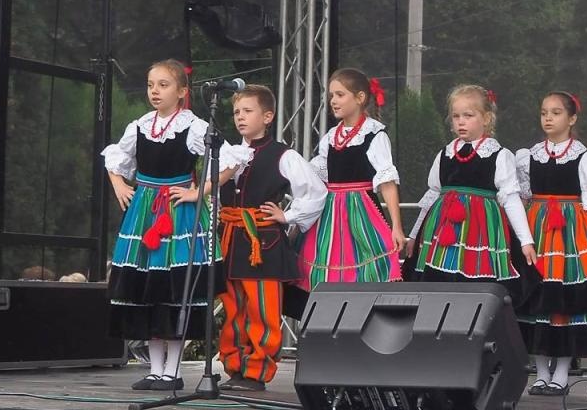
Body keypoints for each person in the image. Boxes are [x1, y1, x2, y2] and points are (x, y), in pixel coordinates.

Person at [102, 58, 214, 391]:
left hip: (177, 212)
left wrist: (197, 192)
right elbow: (114, 158)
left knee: (173, 289)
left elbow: (227, 161)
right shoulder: (139, 126)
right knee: (146, 287)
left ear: (181, 91)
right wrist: (119, 184)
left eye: (163, 85)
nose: (155, 91)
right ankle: (155, 369)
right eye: (151, 85)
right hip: (144, 212)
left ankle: (173, 371)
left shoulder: (193, 126)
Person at [214, 85, 325, 391]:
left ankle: (257, 370)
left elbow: (315, 192)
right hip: (231, 237)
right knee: (233, 307)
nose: (240, 117)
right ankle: (235, 366)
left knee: (262, 308)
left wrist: (287, 216)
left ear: (267, 116)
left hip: (262, 242)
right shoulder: (227, 154)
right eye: (236, 112)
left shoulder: (283, 155)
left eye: (248, 111)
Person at [405, 84, 536, 302]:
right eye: (456, 116)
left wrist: (525, 240)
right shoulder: (445, 154)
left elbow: (511, 199)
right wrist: (413, 235)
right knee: (439, 284)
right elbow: (431, 196)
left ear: (486, 118)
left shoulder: (499, 155)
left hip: (481, 231)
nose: (461, 121)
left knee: (476, 288)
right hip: (442, 230)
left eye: (468, 115)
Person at [515, 92, 587, 395]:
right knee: (537, 298)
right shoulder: (528, 157)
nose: (548, 118)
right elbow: (522, 200)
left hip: (571, 235)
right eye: (544, 112)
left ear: (572, 118)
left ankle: (562, 373)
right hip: (538, 230)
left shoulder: (586, 158)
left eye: (556, 113)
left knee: (566, 301)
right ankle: (541, 372)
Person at [300, 68, 405, 290]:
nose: (333, 101)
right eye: (331, 95)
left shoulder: (374, 134)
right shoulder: (331, 136)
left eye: (340, 95)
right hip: (329, 211)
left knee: (365, 268)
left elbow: (387, 182)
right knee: (325, 265)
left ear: (360, 98)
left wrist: (396, 226)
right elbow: (316, 174)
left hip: (360, 210)